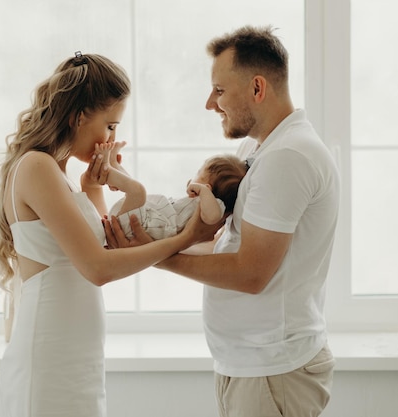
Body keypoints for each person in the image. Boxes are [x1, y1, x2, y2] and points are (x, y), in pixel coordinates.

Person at [105, 26, 340, 417]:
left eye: (219, 90)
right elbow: (228, 244)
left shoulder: (289, 157)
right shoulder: (259, 149)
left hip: (273, 370)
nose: (210, 104)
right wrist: (154, 242)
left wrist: (155, 257)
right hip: (251, 366)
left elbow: (251, 273)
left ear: (257, 88)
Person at [0, 52, 212, 417]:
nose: (112, 138)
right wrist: (186, 238)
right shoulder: (37, 166)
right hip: (49, 350)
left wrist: (104, 186)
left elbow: (106, 241)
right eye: (110, 125)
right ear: (78, 117)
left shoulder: (59, 173)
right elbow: (98, 267)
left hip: (76, 351)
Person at [95, 141, 247, 240]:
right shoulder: (200, 201)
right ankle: (113, 165)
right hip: (144, 221)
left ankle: (106, 169)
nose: (194, 177)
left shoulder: (214, 205)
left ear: (208, 187)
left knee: (138, 191)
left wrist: (203, 191)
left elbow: (213, 217)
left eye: (199, 173)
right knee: (137, 193)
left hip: (142, 227)